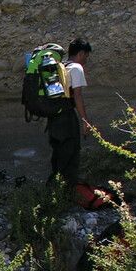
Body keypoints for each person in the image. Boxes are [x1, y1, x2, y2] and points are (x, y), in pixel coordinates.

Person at [46, 38, 94, 187]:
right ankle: (65, 191)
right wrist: (85, 121)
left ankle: (56, 189)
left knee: (58, 153)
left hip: (53, 117)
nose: (86, 59)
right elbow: (78, 96)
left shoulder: (60, 67)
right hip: (66, 117)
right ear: (80, 53)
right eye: (86, 56)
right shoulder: (76, 68)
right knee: (70, 153)